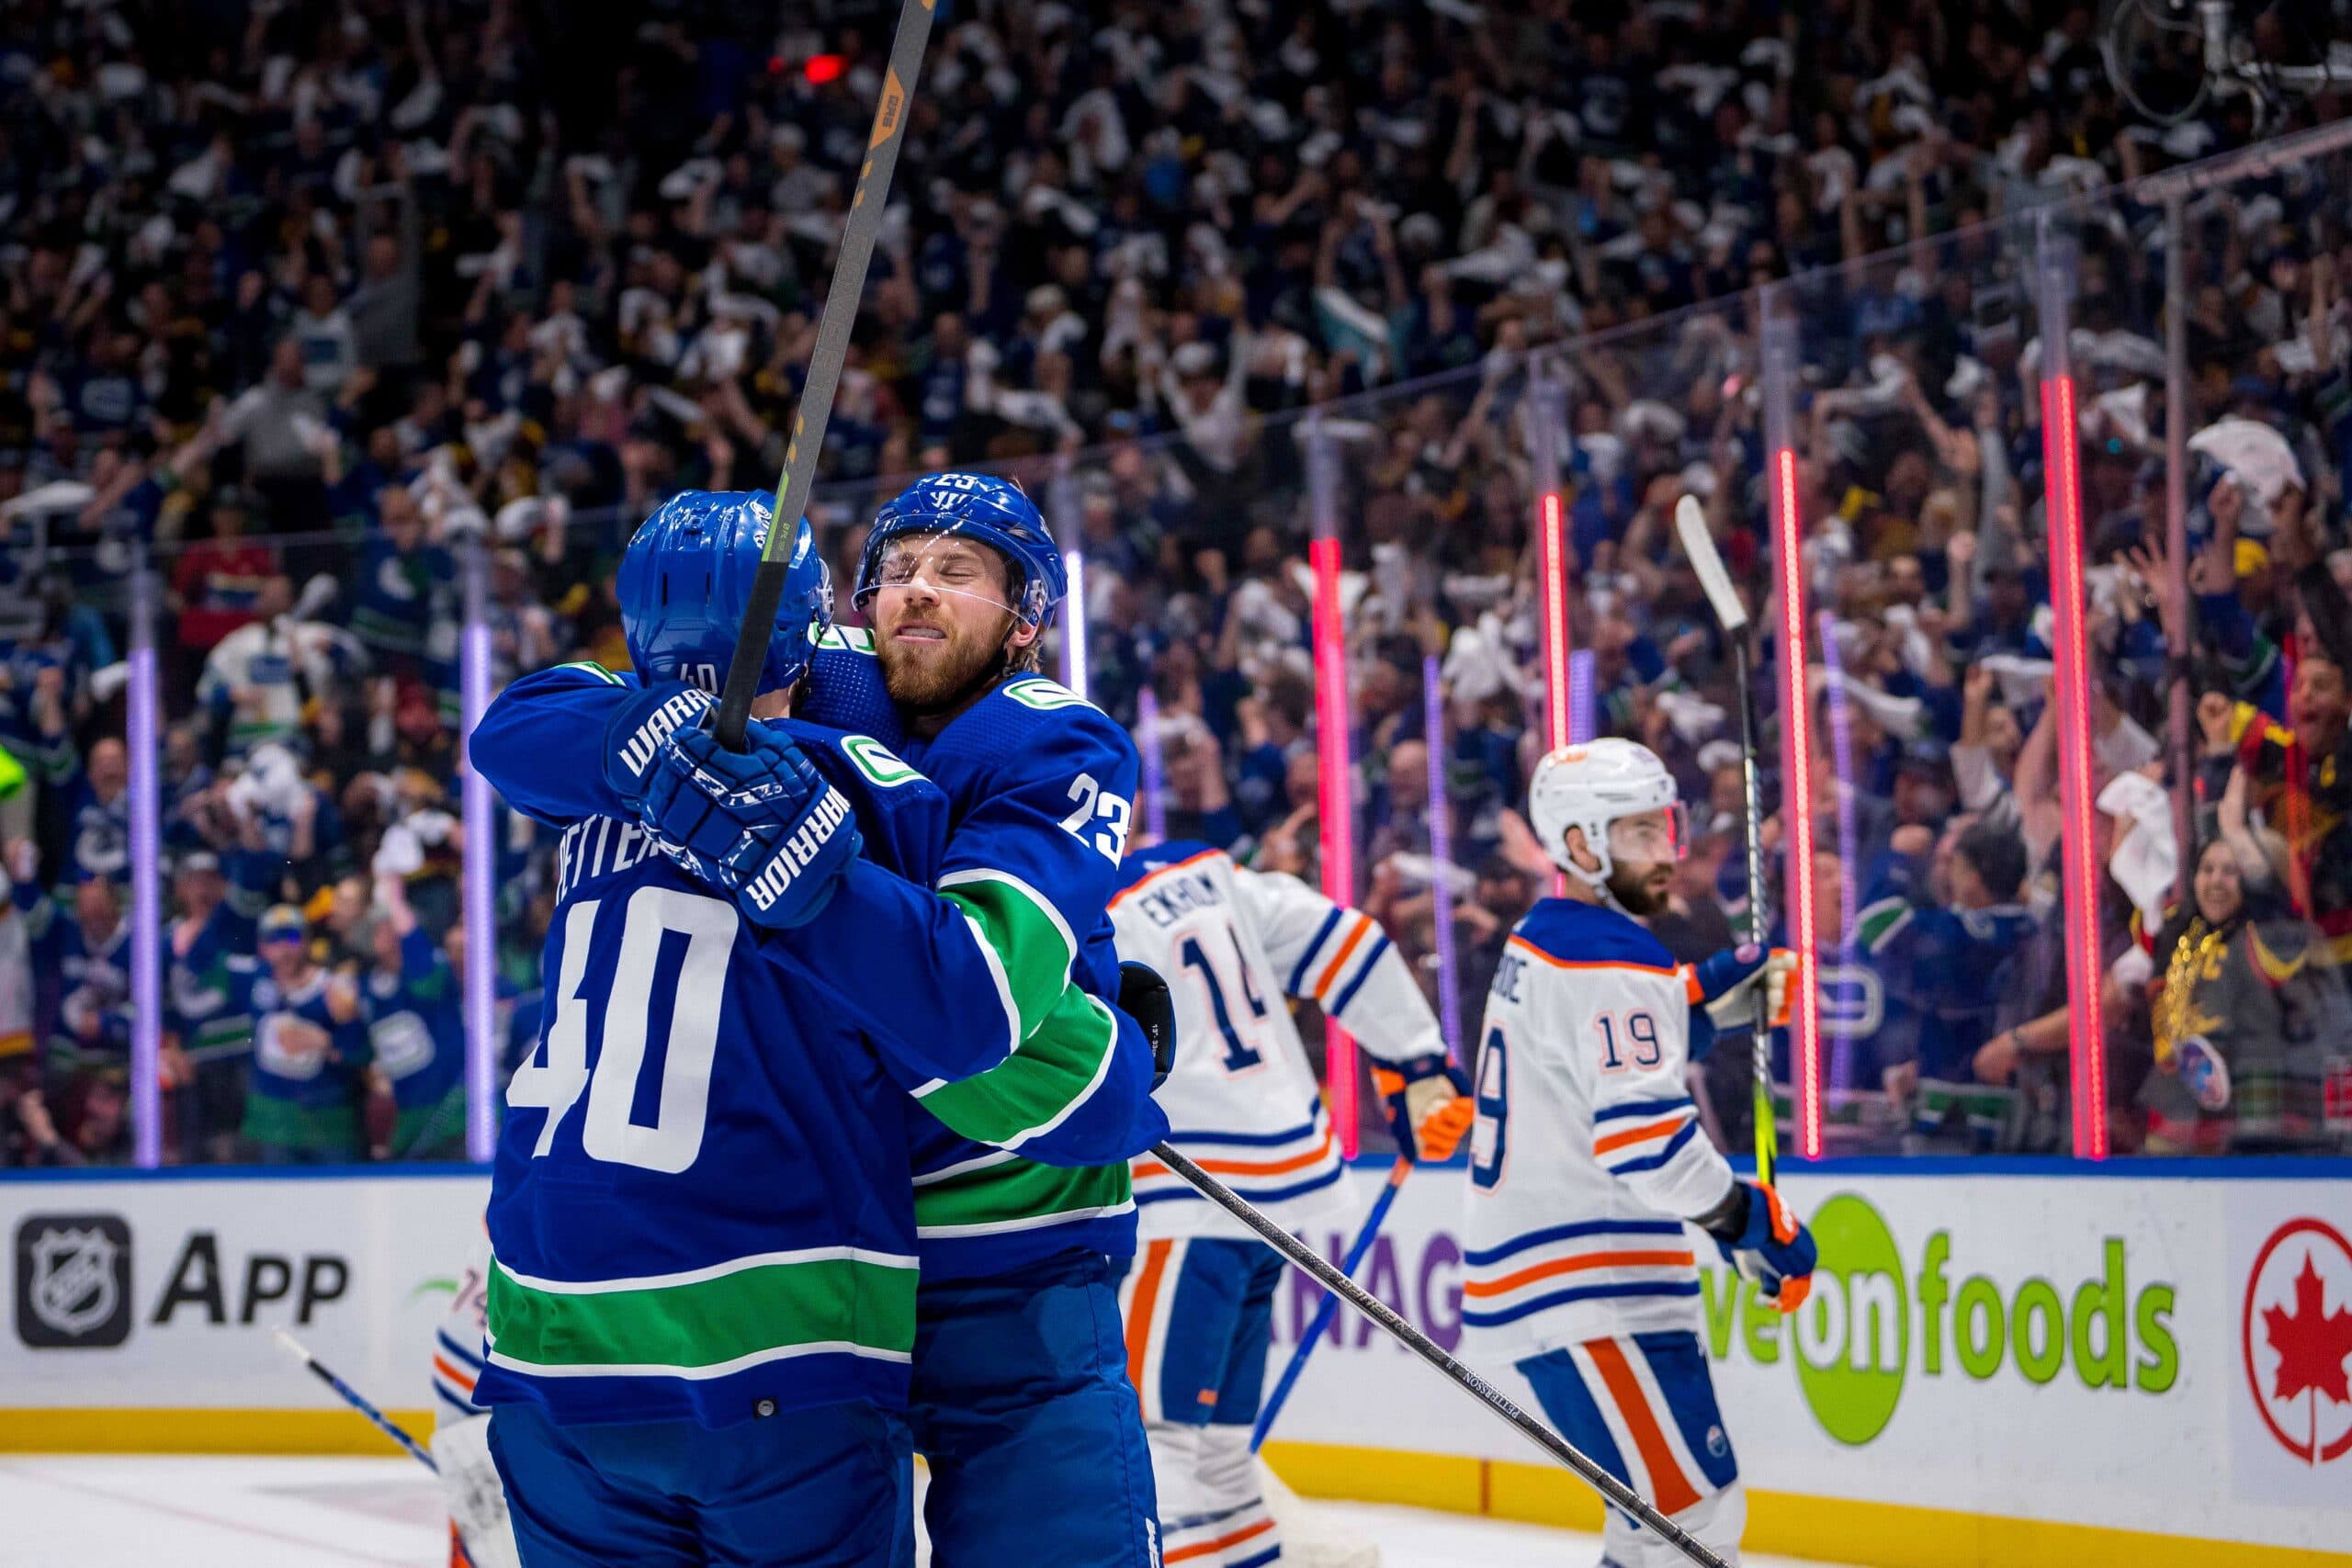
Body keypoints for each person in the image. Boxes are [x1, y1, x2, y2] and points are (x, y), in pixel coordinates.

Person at [463, 490, 1166, 1567]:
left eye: (961, 569)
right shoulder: (808, 678)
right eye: (900, 566)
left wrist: (1110, 1068)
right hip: (830, 1255)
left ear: (1025, 618)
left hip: (1006, 1255)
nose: (920, 585)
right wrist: (637, 738)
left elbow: (969, 998)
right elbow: (522, 723)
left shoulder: (1052, 739)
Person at [1463, 739, 1815, 1568]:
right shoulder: (1614, 958)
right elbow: (1646, 1142)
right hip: (1592, 1287)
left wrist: (1697, 997)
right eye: (1637, 834)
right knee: (1692, 1514)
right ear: (1580, 846)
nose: (1664, 853)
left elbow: (1588, 1048)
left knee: (1656, 1520)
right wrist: (1747, 1218)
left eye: (1665, 828)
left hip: (1572, 1279)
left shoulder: (1549, 937)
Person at [1108, 835, 1472, 1568]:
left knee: (1158, 1434)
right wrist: (1418, 1059)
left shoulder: (1069, 897)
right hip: (1277, 1184)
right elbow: (1350, 940)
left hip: (1188, 1183)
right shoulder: (1202, 870)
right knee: (1215, 1444)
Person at [238, 904, 382, 1164]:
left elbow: (363, 1053)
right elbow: (200, 963)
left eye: (292, 937)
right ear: (262, 946)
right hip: (272, 1129)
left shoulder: (334, 988)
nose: (284, 948)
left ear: (307, 941)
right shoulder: (254, 982)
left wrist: (330, 1040)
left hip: (329, 1130)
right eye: (274, 939)